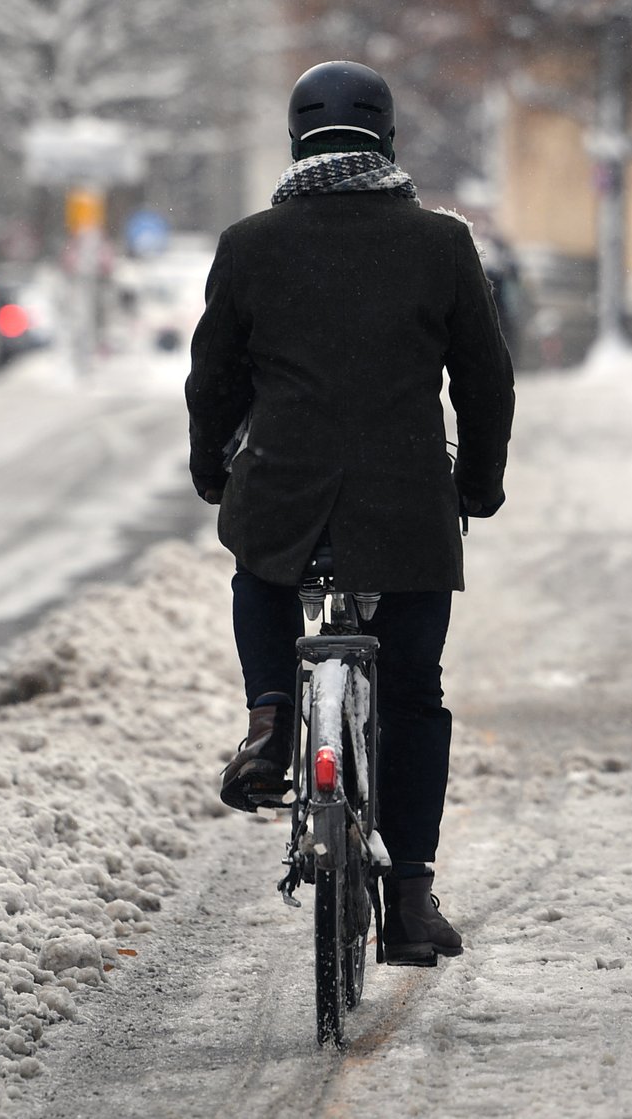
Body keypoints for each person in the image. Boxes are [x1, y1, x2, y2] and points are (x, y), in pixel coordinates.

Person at [185, 60, 515, 965]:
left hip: (284, 493)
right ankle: (410, 895)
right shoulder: (440, 244)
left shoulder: (250, 244)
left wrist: (215, 472)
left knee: (259, 576)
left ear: (298, 140)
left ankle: (269, 717)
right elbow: (487, 384)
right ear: (389, 138)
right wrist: (476, 486)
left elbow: (211, 379)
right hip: (406, 503)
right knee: (413, 693)